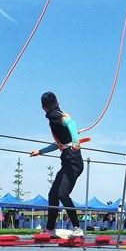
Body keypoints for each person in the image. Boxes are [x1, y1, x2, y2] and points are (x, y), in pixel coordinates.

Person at [29, 92, 85, 239]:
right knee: (53, 194)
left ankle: (77, 228)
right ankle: (50, 229)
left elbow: (71, 123)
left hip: (73, 160)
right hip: (67, 159)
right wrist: (40, 151)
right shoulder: (56, 114)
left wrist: (76, 142)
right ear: (58, 102)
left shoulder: (54, 115)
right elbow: (59, 144)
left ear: (43, 108)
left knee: (62, 194)